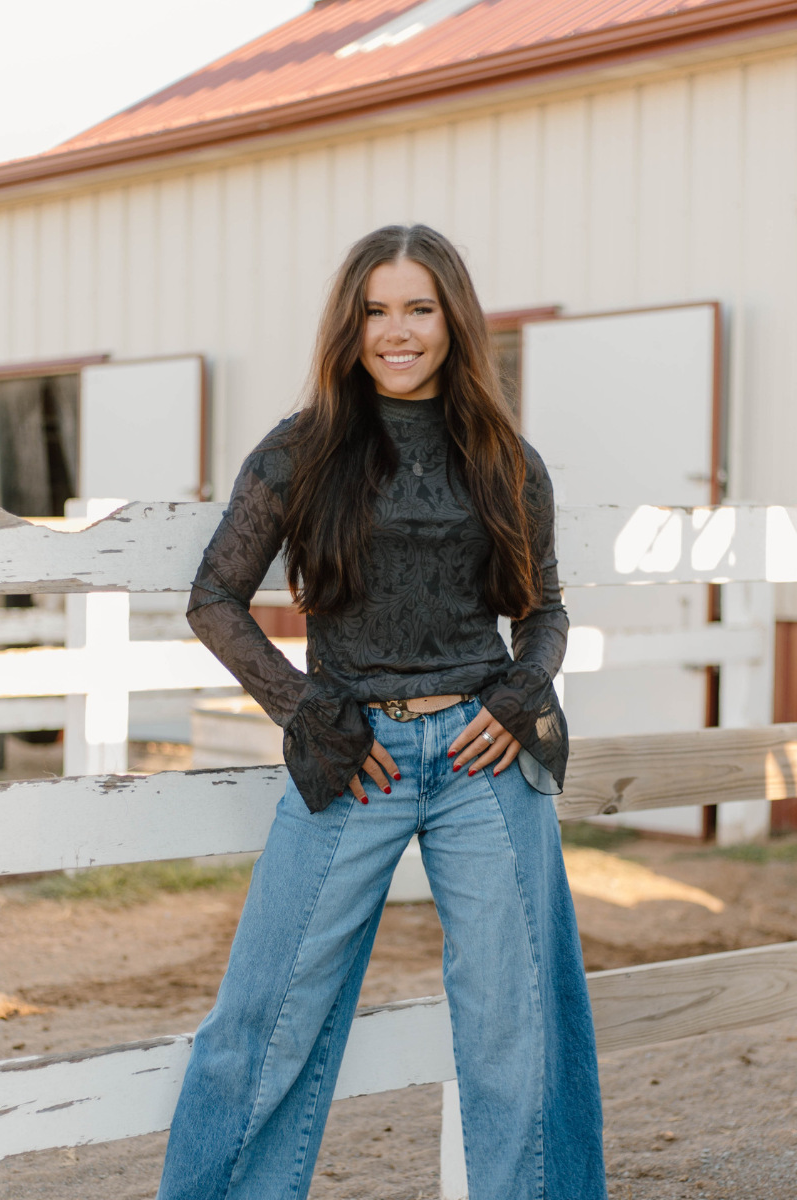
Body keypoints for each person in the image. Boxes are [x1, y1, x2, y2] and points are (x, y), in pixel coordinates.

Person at [156, 224, 606, 1200]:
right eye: (374, 310)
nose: (394, 331)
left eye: (417, 308)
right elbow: (213, 599)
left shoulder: (503, 457)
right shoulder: (300, 449)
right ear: (349, 324)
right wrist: (307, 710)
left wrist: (523, 690)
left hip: (485, 758)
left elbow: (543, 611)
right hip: (355, 757)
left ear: (451, 319)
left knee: (517, 1022)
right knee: (265, 1017)